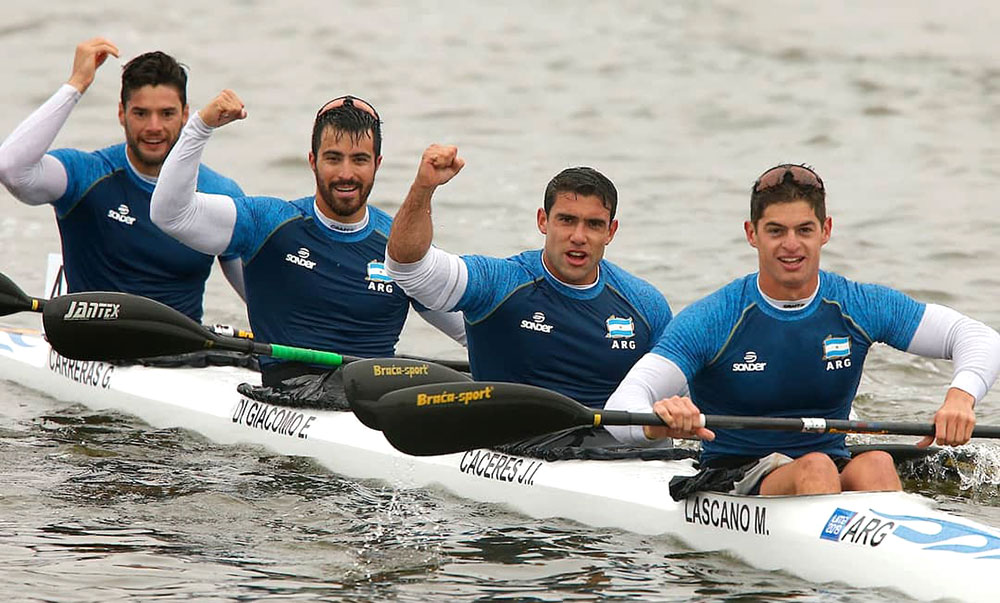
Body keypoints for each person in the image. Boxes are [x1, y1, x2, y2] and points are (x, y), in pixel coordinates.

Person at [605, 163, 1000, 496]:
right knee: (816, 469)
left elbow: (978, 338)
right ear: (751, 233)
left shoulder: (859, 304)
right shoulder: (714, 318)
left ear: (825, 230)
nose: (791, 245)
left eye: (804, 230)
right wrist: (659, 420)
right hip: (734, 473)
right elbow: (620, 408)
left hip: (828, 463)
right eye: (776, 230)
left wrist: (960, 399)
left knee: (876, 463)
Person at [150, 90, 466, 387]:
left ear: (377, 165)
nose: (346, 174)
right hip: (285, 395)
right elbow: (171, 213)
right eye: (333, 158)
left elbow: (471, 332)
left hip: (372, 399)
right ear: (313, 161)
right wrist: (201, 126)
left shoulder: (400, 248)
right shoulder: (268, 223)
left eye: (359, 159)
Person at [384, 144, 673, 410]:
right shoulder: (500, 283)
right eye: (567, 220)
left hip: (613, 453)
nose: (578, 237)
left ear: (610, 232)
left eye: (594, 224)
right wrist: (424, 188)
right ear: (543, 221)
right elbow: (409, 270)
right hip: (515, 442)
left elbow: (680, 391)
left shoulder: (646, 305)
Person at [0, 38, 245, 323]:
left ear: (186, 116)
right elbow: (10, 168)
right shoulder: (86, 174)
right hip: (88, 347)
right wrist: (77, 84)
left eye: (166, 114)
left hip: (183, 357)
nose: (154, 127)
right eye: (141, 113)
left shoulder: (220, 194)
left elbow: (262, 300)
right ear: (121, 114)